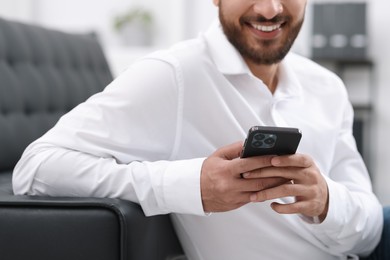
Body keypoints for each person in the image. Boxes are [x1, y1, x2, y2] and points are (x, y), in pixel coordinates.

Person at [12, 0, 386, 259]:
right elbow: (36, 168)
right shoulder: (174, 76)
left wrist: (326, 202)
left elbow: (369, 230)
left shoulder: (327, 87)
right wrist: (192, 187)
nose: (270, 9)